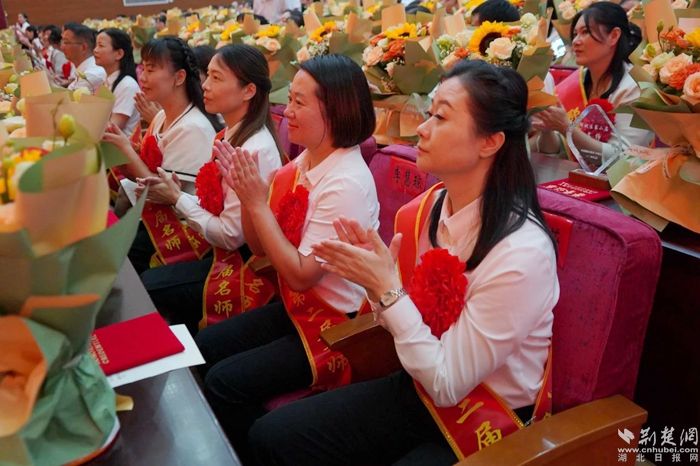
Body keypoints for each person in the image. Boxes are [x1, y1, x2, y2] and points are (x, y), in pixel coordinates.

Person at [247, 60, 560, 466]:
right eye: (429, 113)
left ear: (490, 142)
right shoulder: (427, 209)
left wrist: (387, 289)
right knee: (271, 436)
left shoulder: (521, 253)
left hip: (482, 415)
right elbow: (404, 326)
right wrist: (377, 284)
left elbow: (448, 383)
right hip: (419, 385)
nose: (423, 128)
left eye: (441, 117)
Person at [194, 54, 378, 463]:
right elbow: (260, 248)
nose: (286, 111)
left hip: (333, 325)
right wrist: (247, 195)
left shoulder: (346, 181)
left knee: (224, 382)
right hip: (297, 310)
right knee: (206, 345)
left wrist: (257, 203)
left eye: (298, 102)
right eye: (289, 99)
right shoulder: (305, 162)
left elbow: (300, 275)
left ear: (335, 110)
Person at [135, 44, 285, 335]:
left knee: (151, 284)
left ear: (248, 91)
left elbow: (230, 235)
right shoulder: (230, 134)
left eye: (216, 78)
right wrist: (180, 195)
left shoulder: (252, 149)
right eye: (208, 75)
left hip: (242, 261)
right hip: (222, 248)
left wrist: (177, 198)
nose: (204, 85)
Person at [102, 37, 217, 273]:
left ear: (179, 77)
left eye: (151, 69)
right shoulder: (163, 116)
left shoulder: (193, 128)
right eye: (143, 68)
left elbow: (160, 191)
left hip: (184, 226)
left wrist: (125, 150)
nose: (142, 77)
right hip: (158, 213)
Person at [531, 2, 652, 159]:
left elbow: (624, 157)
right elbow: (555, 150)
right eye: (575, 34)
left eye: (585, 32)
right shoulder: (577, 81)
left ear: (614, 36)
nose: (575, 41)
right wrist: (547, 130)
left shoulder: (634, 87)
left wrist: (567, 128)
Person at [94, 28, 141, 137]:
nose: (95, 50)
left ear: (119, 54)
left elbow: (113, 127)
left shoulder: (127, 85)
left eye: (101, 46)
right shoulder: (106, 81)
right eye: (96, 45)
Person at [61, 23, 106, 92]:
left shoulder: (91, 74)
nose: (62, 47)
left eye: (66, 42)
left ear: (83, 47)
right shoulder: (83, 69)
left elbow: (68, 97)